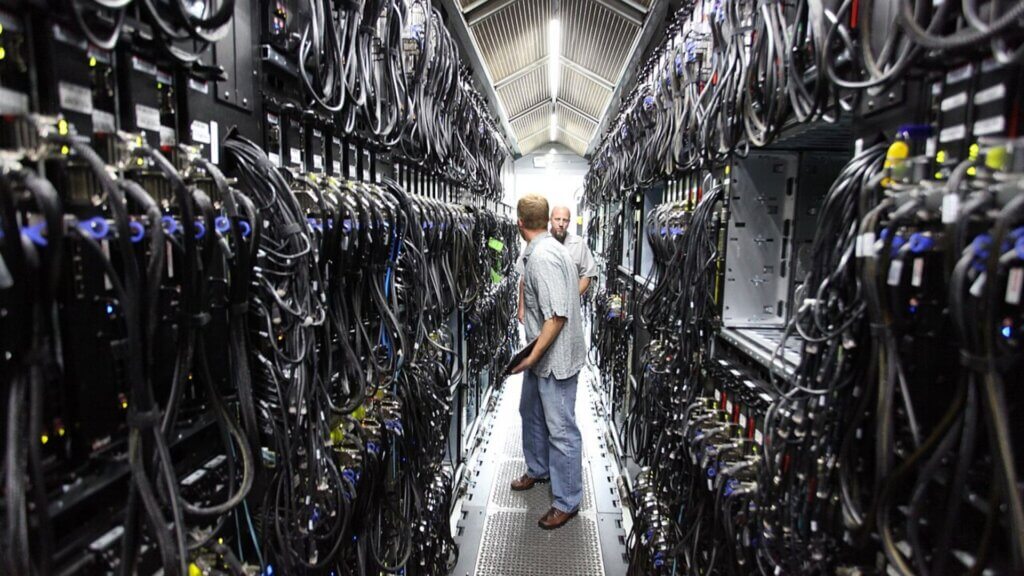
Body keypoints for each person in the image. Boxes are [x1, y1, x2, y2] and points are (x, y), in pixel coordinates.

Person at [509, 194, 587, 530]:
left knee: (562, 430)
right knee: (530, 411)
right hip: (540, 353)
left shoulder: (543, 257)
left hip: (553, 357)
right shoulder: (546, 250)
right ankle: (538, 469)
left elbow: (557, 316)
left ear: (519, 223)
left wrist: (532, 357)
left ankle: (567, 501)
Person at [517, 205, 598, 323]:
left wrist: (571, 297)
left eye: (565, 220)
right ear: (550, 220)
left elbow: (587, 275)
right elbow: (524, 277)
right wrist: (521, 307)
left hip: (569, 313)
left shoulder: (578, 244)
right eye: (557, 219)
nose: (561, 223)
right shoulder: (537, 242)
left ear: (569, 222)